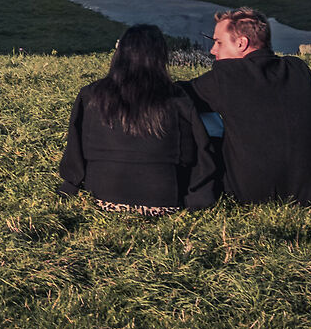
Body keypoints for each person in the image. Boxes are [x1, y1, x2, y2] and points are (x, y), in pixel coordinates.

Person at [56, 25, 219, 213]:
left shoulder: (91, 95)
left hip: (102, 195)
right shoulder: (177, 99)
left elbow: (76, 149)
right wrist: (198, 196)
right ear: (161, 57)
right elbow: (196, 153)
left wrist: (71, 184)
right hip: (163, 199)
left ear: (119, 54)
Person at [186, 8, 311, 204]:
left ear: (241, 43)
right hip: (309, 191)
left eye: (219, 42)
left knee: (198, 113)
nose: (213, 50)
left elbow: (177, 95)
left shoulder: (227, 76)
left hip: (250, 193)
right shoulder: (298, 69)